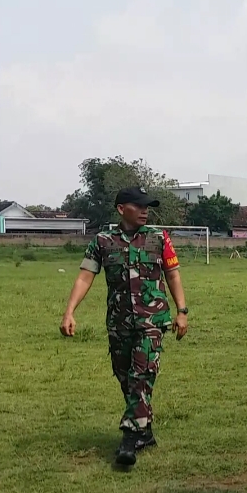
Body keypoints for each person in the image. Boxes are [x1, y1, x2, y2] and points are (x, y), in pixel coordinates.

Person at [60, 187, 189, 467]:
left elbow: (172, 275)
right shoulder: (103, 241)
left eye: (147, 206)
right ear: (121, 209)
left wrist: (181, 311)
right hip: (119, 323)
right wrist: (69, 311)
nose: (145, 211)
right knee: (125, 377)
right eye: (139, 206)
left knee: (140, 375)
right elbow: (85, 277)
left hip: (152, 323)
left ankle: (129, 438)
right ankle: (146, 431)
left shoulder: (159, 238)